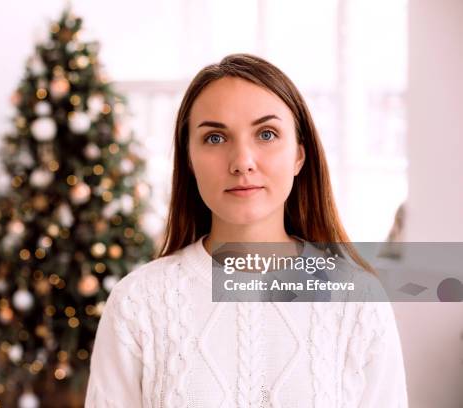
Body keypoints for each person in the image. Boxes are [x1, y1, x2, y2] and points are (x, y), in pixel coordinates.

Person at [85, 53, 408, 407]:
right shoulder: (138, 303)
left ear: (300, 155)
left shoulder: (357, 301)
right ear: (189, 160)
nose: (242, 162)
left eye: (266, 134)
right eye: (214, 138)